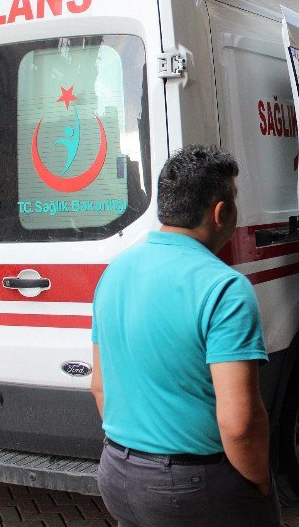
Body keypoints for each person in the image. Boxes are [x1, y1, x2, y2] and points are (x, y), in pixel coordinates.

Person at [91, 145, 278, 526]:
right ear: (221, 212)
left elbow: (99, 385)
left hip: (117, 473)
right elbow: (240, 423)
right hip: (193, 486)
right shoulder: (225, 288)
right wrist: (259, 483)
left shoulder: (115, 271)